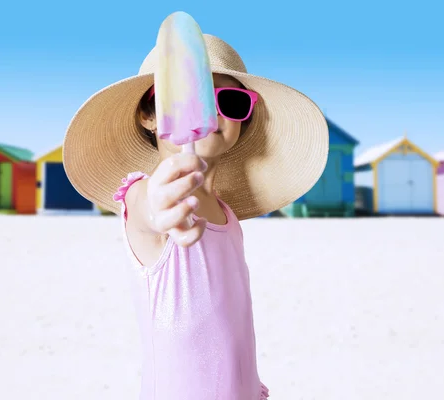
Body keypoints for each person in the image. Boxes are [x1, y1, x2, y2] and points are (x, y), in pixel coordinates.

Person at [62, 33, 329, 400]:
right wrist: (157, 205)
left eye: (230, 101)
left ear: (243, 119)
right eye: (186, 97)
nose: (208, 112)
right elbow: (145, 211)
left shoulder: (226, 215)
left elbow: (233, 329)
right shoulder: (148, 195)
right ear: (149, 116)